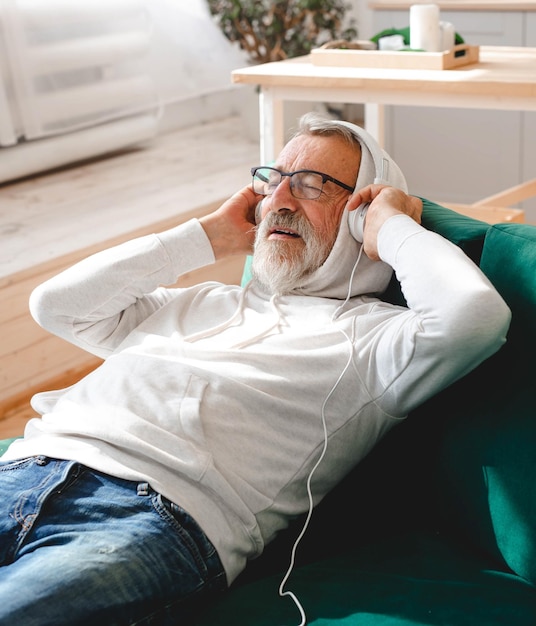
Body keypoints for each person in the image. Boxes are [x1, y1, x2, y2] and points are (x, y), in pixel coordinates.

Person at [0, 112, 510, 625]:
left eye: (312, 186)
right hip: (25, 468)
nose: (280, 202)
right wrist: (208, 236)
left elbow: (475, 317)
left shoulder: (376, 340)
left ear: (361, 215)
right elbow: (56, 306)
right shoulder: (203, 301)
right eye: (274, 181)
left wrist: (393, 227)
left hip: (147, 517)